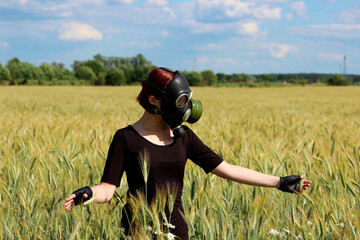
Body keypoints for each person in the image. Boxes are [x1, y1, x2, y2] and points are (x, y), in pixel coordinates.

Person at [64, 67, 312, 240]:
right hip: (136, 230)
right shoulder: (125, 138)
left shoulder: (184, 138)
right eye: (179, 101)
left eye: (186, 100)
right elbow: (108, 188)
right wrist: (89, 193)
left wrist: (280, 182)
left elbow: (227, 169)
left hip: (175, 230)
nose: (185, 108)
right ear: (154, 100)